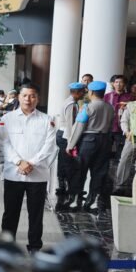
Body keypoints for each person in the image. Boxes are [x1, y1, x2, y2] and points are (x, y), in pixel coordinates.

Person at [0, 83, 57, 254]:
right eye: (25, 95)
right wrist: (19, 162)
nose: (28, 99)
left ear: (37, 99)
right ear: (18, 97)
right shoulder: (7, 119)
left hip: (37, 175)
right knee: (10, 213)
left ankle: (35, 247)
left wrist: (31, 163)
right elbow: (4, 143)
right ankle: (7, 246)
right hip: (13, 174)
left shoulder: (47, 120)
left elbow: (49, 146)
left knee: (36, 214)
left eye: (32, 96)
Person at [66, 81, 118, 213]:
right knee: (99, 172)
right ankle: (93, 202)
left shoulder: (87, 107)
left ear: (92, 92)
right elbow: (110, 126)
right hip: (104, 141)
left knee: (80, 170)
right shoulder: (110, 107)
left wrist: (70, 145)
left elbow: (79, 127)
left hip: (89, 141)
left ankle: (75, 201)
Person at [53, 82, 85, 212]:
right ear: (76, 92)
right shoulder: (71, 104)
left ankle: (62, 186)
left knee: (62, 161)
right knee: (68, 163)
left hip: (62, 134)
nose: (84, 93)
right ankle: (70, 191)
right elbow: (70, 125)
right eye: (82, 91)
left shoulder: (70, 101)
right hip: (66, 135)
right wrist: (72, 143)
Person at [115, 83, 136, 197]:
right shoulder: (131, 106)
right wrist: (126, 131)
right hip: (132, 138)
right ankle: (120, 186)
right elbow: (124, 120)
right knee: (124, 160)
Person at [104, 74, 135, 159]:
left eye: (121, 82)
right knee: (105, 151)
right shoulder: (107, 96)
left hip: (122, 129)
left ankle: (118, 166)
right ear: (113, 84)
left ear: (124, 84)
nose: (118, 84)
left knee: (121, 152)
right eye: (116, 82)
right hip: (108, 128)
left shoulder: (130, 97)